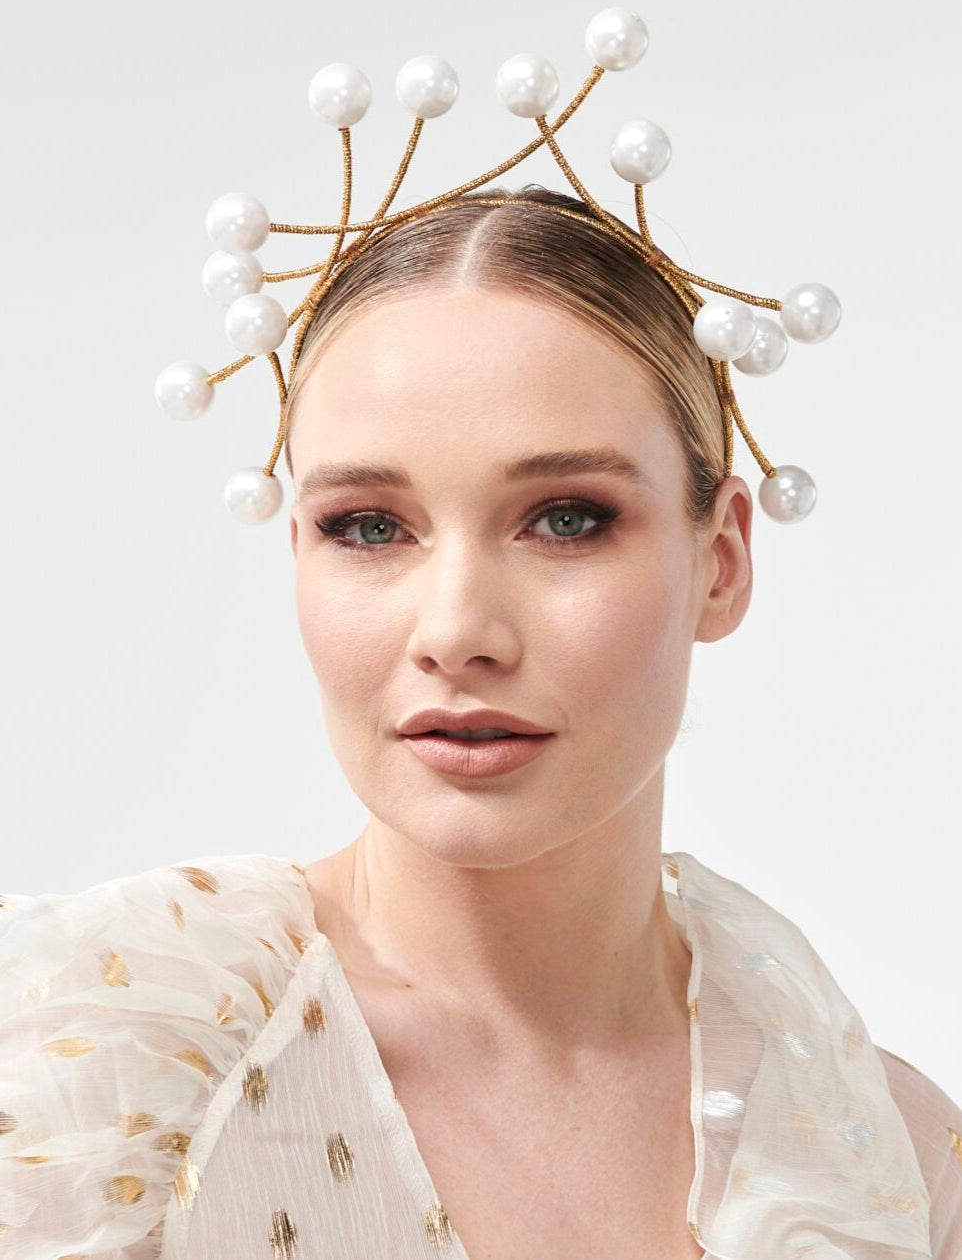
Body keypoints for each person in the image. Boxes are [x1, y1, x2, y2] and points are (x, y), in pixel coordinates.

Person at [1, 187, 959, 1260]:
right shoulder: (94, 1068)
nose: (457, 631)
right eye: (367, 526)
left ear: (721, 559)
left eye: (566, 518)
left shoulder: (885, 1164)